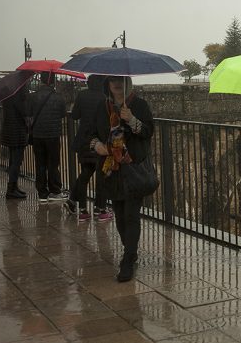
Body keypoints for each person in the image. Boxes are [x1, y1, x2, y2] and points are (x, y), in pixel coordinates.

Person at [91, 76, 153, 282]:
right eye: (113, 81)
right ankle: (131, 249)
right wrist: (96, 146)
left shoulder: (139, 105)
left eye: (121, 81)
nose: (117, 84)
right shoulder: (102, 107)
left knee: (131, 214)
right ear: (107, 85)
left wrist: (132, 120)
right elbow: (90, 134)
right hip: (112, 168)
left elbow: (147, 132)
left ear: (128, 83)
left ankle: (128, 258)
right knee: (119, 214)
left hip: (132, 167)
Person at [65, 75, 110, 221]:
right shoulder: (104, 98)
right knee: (102, 175)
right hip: (98, 140)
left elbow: (75, 115)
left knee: (85, 173)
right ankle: (99, 208)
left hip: (84, 139)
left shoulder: (82, 95)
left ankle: (82, 209)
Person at [28, 72, 67, 203]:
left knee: (40, 164)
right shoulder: (59, 97)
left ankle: (42, 193)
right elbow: (63, 114)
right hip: (53, 135)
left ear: (42, 81)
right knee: (53, 164)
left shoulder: (33, 97)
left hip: (38, 135)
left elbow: (29, 111)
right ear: (53, 81)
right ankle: (54, 191)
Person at [0, 86, 29, 199]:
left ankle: (14, 187)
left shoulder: (7, 95)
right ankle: (11, 189)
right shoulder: (17, 96)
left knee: (13, 161)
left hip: (9, 130)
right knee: (16, 161)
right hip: (16, 132)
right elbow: (24, 111)